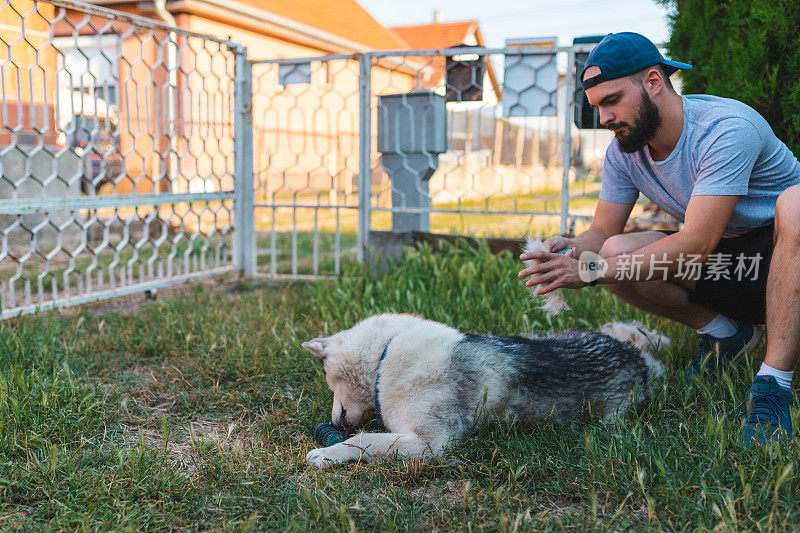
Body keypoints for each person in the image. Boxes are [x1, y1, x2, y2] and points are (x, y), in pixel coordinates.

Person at [518, 32, 800, 445]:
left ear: (653, 81)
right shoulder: (624, 151)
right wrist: (574, 249)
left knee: (795, 205)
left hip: (786, 257)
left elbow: (696, 245)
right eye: (597, 107)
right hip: (737, 266)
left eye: (612, 100)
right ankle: (728, 335)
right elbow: (603, 232)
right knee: (616, 250)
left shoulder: (725, 129)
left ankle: (773, 384)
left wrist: (592, 271)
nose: (604, 118)